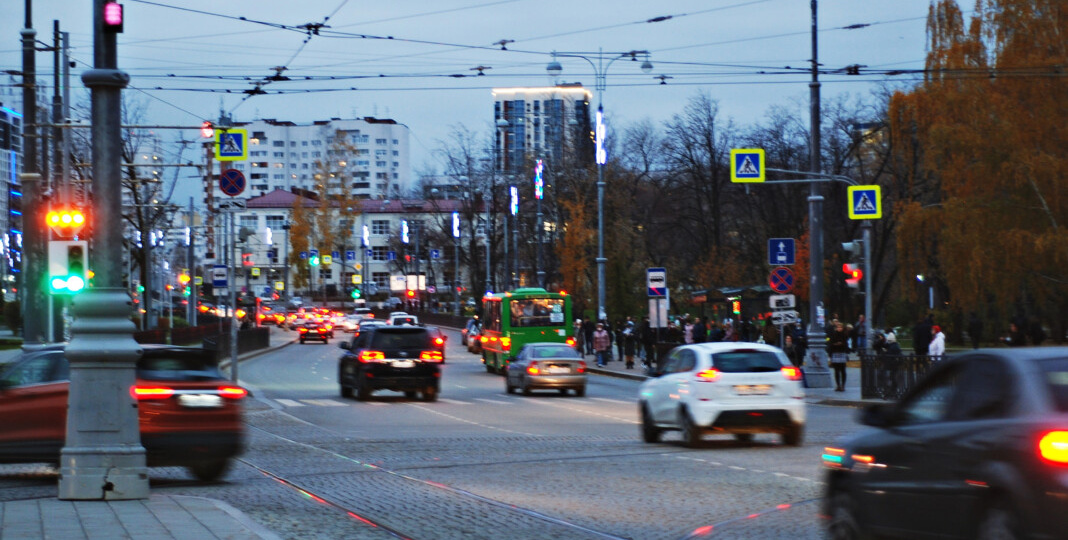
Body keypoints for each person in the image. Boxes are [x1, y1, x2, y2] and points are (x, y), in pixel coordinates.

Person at [827, 321, 851, 392]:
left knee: (843, 370)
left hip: (842, 353)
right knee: (836, 371)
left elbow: (846, 345)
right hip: (835, 353)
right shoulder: (834, 335)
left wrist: (842, 344)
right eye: (838, 327)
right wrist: (831, 353)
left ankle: (843, 385)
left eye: (840, 327)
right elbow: (830, 344)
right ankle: (838, 385)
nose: (839, 328)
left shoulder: (844, 335)